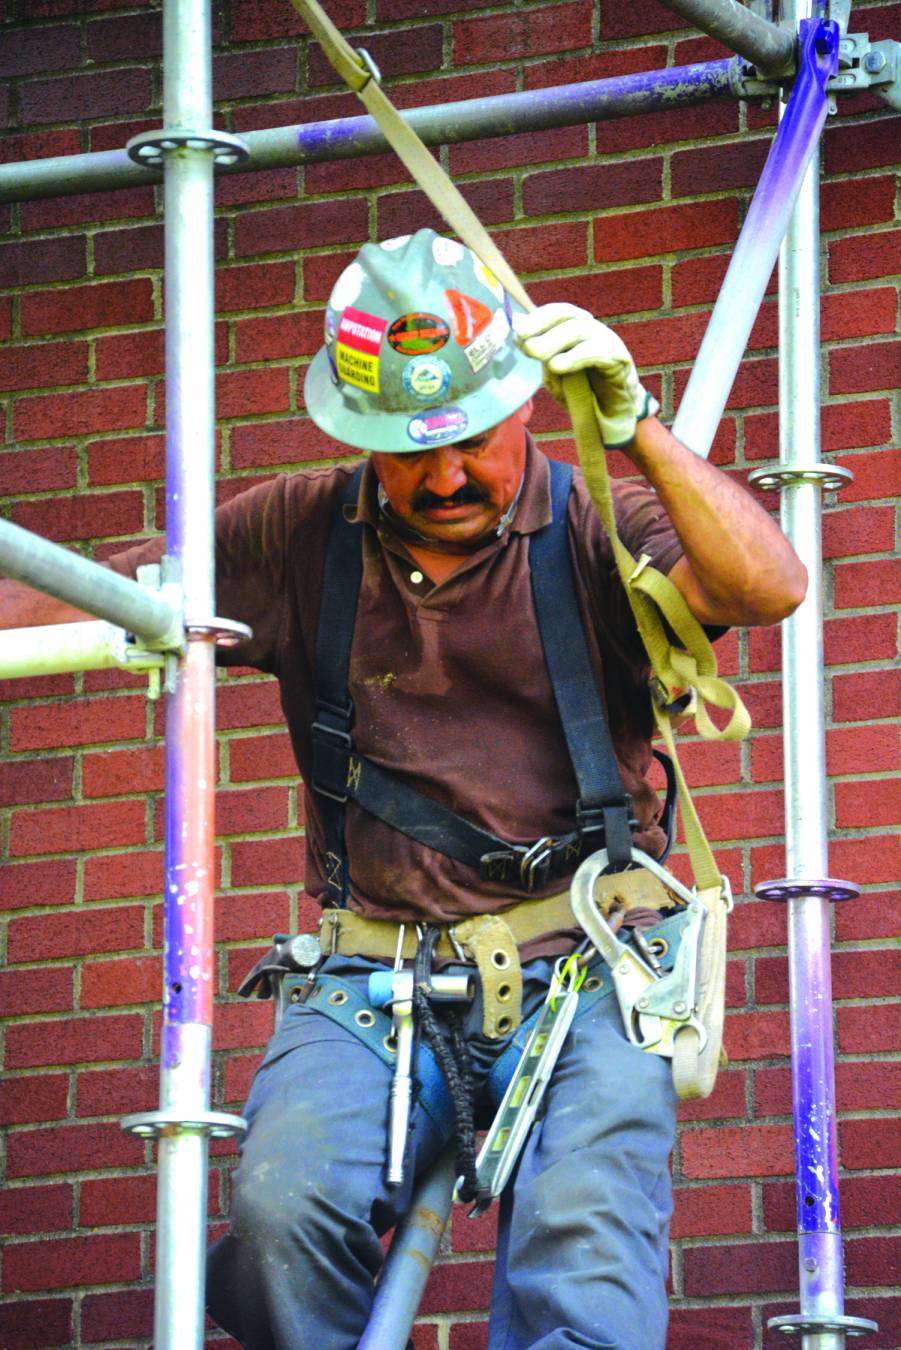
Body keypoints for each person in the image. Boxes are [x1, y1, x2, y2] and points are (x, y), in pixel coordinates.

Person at [0, 230, 806, 1349]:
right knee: (282, 1216)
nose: (442, 477)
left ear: (524, 403)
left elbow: (768, 588)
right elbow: (89, 603)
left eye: (471, 441)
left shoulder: (594, 520)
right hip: (369, 974)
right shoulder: (292, 531)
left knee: (587, 1250)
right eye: (404, 451)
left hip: (588, 965)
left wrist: (636, 429)